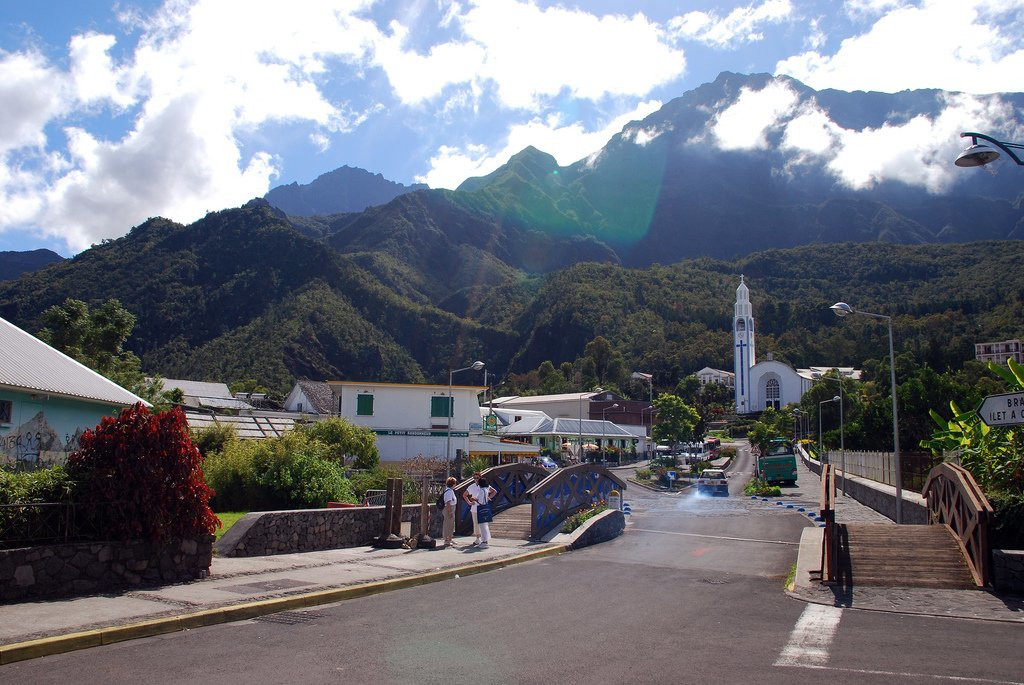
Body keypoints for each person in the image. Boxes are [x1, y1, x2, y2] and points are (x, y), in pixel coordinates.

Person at [466, 473, 498, 547]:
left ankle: (484, 542)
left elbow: (479, 500)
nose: (476, 480)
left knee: (482, 525)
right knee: (484, 525)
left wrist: (473, 499)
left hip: (480, 508)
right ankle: (484, 540)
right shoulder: (485, 489)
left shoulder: (481, 490)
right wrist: (487, 498)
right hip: (484, 508)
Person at [463, 471, 483, 545]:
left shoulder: (484, 485)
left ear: (480, 478)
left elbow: (494, 491)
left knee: (483, 524)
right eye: (474, 478)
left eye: (477, 478)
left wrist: (488, 497)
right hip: (474, 508)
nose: (476, 479)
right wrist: (469, 502)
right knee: (476, 524)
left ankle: (483, 539)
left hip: (482, 507)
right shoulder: (472, 486)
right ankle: (477, 538)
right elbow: (464, 494)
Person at [442, 476, 457, 546]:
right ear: (452, 484)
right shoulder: (448, 491)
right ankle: (446, 540)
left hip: (451, 508)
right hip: (449, 509)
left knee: (451, 524)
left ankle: (450, 538)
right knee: (447, 524)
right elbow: (448, 503)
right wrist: (450, 511)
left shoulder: (450, 491)